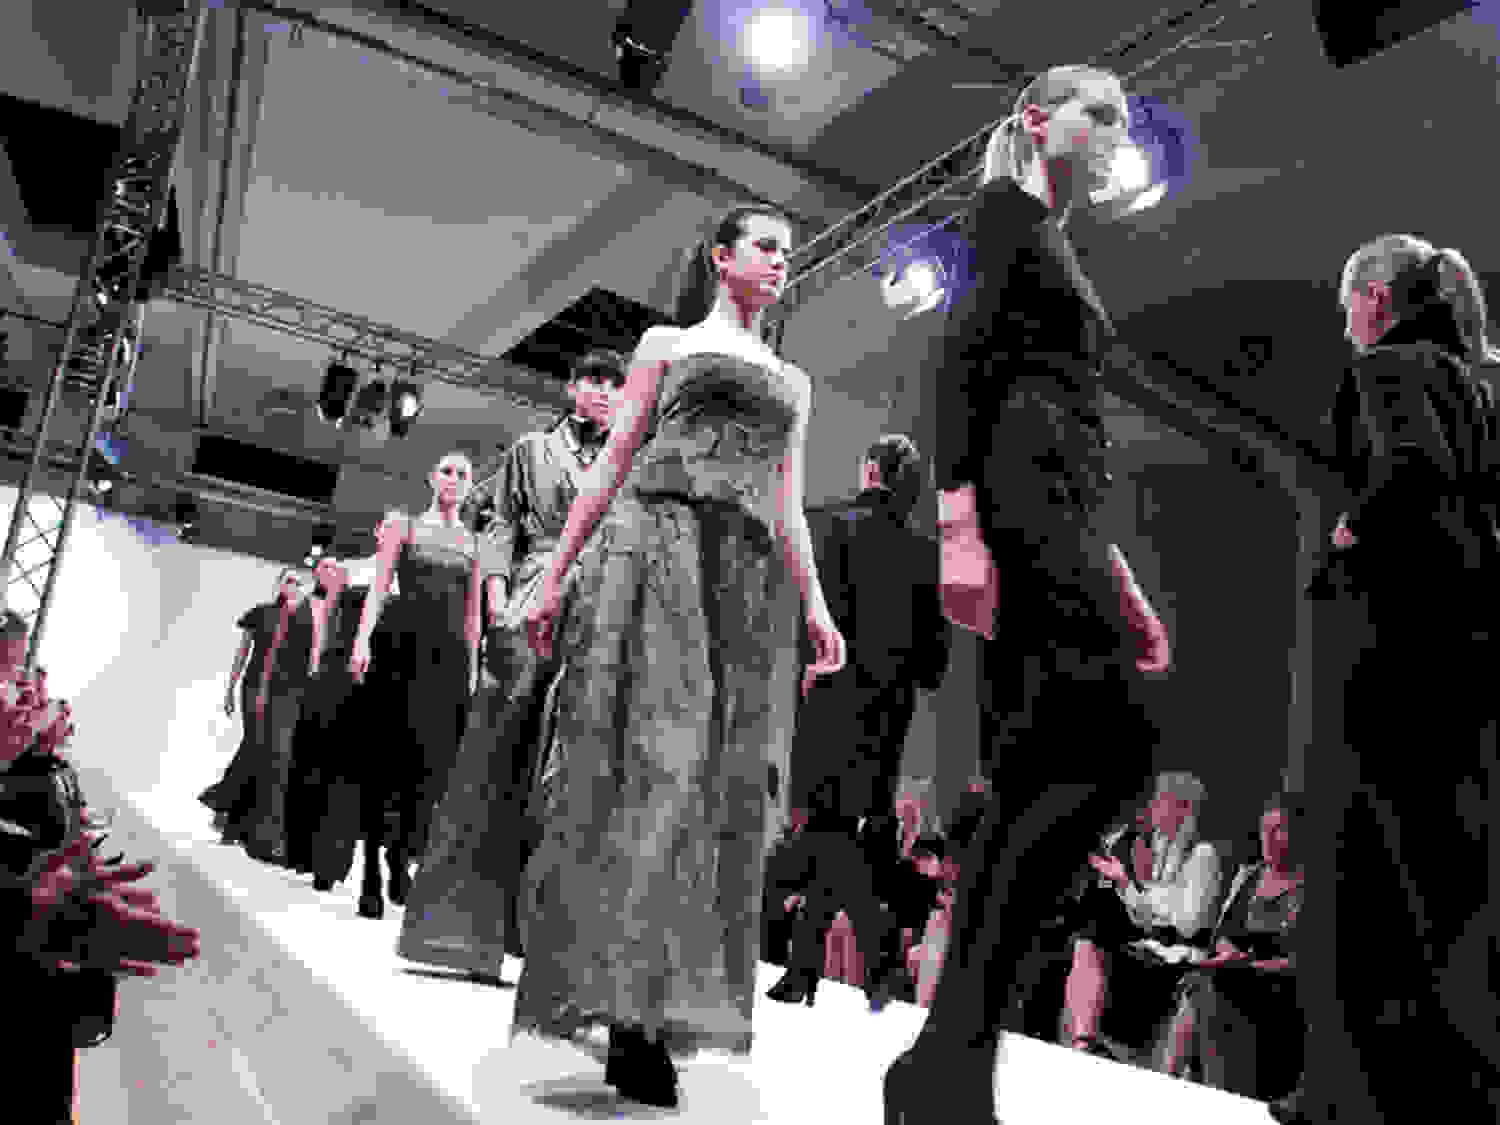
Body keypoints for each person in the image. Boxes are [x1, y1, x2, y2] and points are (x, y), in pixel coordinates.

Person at [882, 64, 1172, 1125]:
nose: (1116, 129)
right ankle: (946, 1060)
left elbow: (1076, 419)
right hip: (1022, 508)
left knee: (1030, 780)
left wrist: (1120, 573)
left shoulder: (1048, 236)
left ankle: (946, 1065)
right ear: (1039, 120)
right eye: (1102, 112)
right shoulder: (1005, 215)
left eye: (1124, 119)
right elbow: (959, 360)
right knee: (1116, 743)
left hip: (1064, 511)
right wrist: (959, 524)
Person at [515, 203, 846, 1109]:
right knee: (653, 771)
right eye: (765, 246)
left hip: (746, 583)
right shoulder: (666, 344)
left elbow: (788, 500)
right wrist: (554, 575)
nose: (780, 261)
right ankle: (626, 1012)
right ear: (721, 257)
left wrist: (818, 605)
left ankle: (656, 1002)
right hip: (657, 553)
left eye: (789, 252)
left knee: (715, 791)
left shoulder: (794, 381)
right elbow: (615, 458)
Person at [1284, 235, 1500, 1124]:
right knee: (1443, 884)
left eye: (1348, 305)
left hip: (1389, 657)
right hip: (1466, 660)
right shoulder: (1473, 385)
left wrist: (1345, 537)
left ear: (1375, 298)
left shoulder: (1388, 368)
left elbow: (1410, 469)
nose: (1345, 324)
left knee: (1359, 872)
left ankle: (1342, 1096)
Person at [397, 349, 625, 981]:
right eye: (592, 380)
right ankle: (463, 936)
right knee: (497, 758)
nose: (602, 392)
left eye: (614, 384)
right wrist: (497, 598)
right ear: (572, 387)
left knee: (574, 773)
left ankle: (549, 948)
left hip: (599, 610)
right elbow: (499, 526)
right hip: (530, 597)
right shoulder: (532, 450)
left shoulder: (626, 458)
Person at [769, 433, 950, 1009]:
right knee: (839, 831)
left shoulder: (827, 525)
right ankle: (831, 965)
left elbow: (803, 622)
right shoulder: (928, 555)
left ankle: (851, 960)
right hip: (886, 718)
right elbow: (934, 664)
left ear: (869, 471)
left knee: (828, 830)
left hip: (828, 700)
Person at [351, 453, 497, 872]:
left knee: (428, 761)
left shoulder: (475, 543)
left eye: (462, 474)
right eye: (447, 471)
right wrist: (362, 641)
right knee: (386, 755)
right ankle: (371, 869)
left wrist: (473, 672)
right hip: (400, 648)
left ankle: (400, 858)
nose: (453, 479)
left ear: (470, 485)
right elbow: (379, 589)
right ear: (432, 478)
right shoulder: (404, 526)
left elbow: (473, 618)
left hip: (447, 659)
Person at [1063, 772, 1220, 1058]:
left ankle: (1087, 1040)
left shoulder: (1203, 855)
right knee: (1090, 929)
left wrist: (1128, 885)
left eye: (1161, 800)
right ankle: (1083, 1042)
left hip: (1176, 958)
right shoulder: (1158, 849)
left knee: (1095, 934)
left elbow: (1188, 924)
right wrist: (1123, 883)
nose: (1153, 807)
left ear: (1184, 808)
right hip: (1149, 947)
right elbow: (1145, 918)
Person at [1160, 791, 1304, 1100]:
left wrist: (1251, 966)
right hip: (1237, 975)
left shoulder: (1312, 886)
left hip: (1282, 989)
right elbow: (1225, 935)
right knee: (1200, 982)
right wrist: (1229, 955)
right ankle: (1170, 1081)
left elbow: (1308, 961)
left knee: (1205, 987)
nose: (1269, 838)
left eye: (1279, 829)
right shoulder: (1250, 876)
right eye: (1265, 829)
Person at [198, 569, 305, 841]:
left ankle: (232, 814)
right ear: (279, 584)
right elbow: (242, 653)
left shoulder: (305, 619)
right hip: (255, 687)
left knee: (265, 751)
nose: (293, 585)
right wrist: (230, 688)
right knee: (256, 744)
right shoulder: (260, 614)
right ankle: (228, 812)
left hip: (284, 692)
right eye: (289, 580)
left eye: (298, 582)